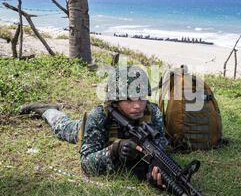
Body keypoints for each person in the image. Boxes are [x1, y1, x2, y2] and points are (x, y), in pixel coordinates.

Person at [20, 66, 168, 188]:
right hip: (86, 130)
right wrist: (113, 150)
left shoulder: (152, 112)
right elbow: (86, 165)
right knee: (63, 126)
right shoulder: (99, 116)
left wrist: (151, 169)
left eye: (142, 98)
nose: (137, 105)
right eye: (129, 99)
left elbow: (160, 147)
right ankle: (47, 110)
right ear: (115, 101)